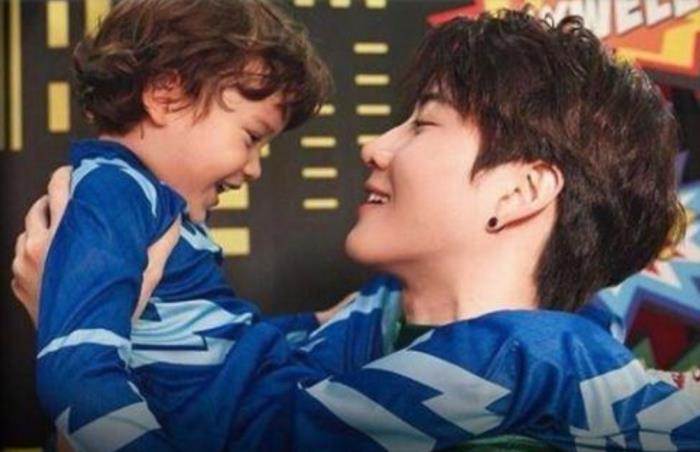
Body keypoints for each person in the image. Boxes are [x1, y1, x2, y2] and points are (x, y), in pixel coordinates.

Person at [11, 6, 700, 451]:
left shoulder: (534, 355)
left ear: (520, 191)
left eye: (423, 122)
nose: (373, 145)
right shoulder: (369, 328)